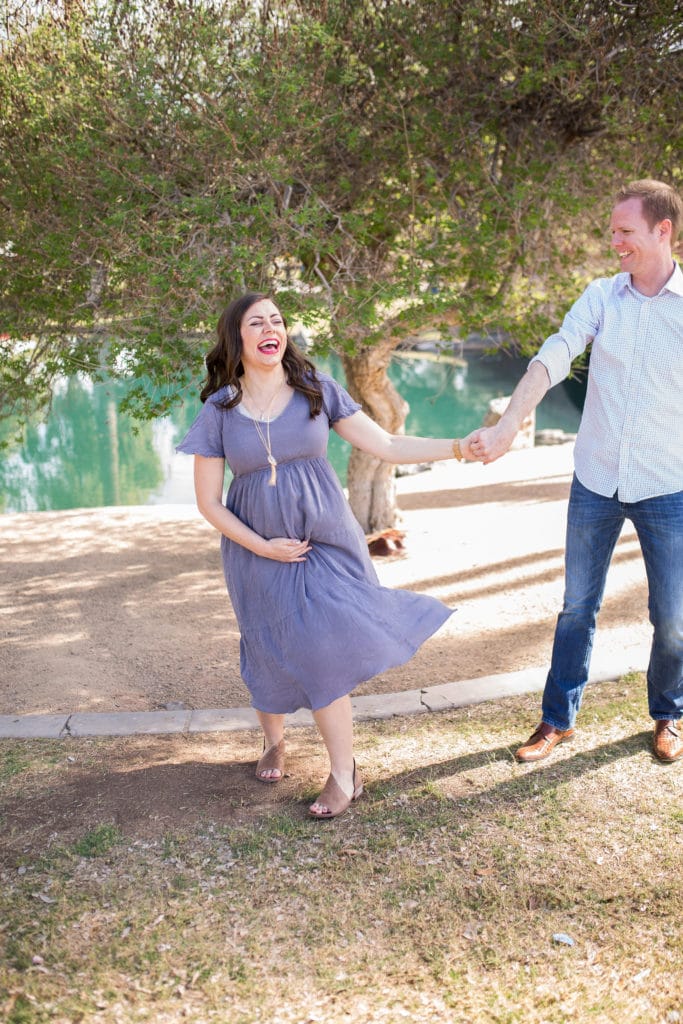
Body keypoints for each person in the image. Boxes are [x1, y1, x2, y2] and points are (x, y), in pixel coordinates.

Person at [177, 292, 473, 818]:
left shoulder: (317, 390)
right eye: (257, 322)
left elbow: (387, 445)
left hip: (326, 543)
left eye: (278, 320)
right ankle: (273, 741)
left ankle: (344, 772)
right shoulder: (219, 410)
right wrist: (262, 545)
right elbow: (208, 502)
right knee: (268, 645)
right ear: (237, 337)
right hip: (256, 550)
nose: (272, 328)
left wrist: (456, 446)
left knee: (321, 647)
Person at [465, 178, 683, 764]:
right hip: (596, 481)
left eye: (624, 231)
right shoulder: (601, 296)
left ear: (662, 231)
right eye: (612, 230)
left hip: (669, 486)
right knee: (576, 607)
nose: (614, 241)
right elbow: (555, 355)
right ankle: (556, 720)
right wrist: (509, 425)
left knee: (674, 618)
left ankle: (669, 713)